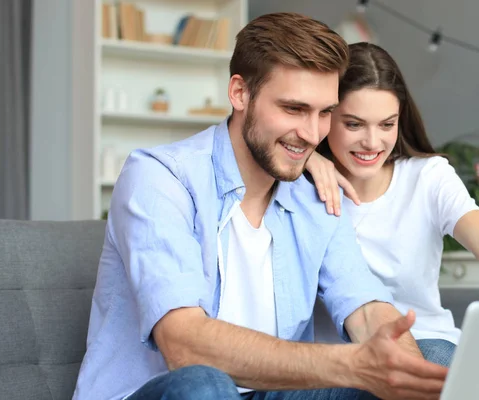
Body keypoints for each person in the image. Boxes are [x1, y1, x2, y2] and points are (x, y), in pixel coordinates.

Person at [72, 13, 449, 400]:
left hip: (270, 393)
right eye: (294, 109)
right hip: (174, 390)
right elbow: (184, 345)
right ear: (239, 93)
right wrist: (353, 365)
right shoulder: (160, 179)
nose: (311, 134)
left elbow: (367, 309)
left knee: (434, 356)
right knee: (205, 384)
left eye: (324, 113)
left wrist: (402, 370)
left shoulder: (315, 195)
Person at [306, 42, 479, 367]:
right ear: (326, 117)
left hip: (427, 342)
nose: (372, 143)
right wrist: (306, 158)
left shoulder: (428, 177)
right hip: (340, 361)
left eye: (387, 124)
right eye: (354, 124)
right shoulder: (301, 186)